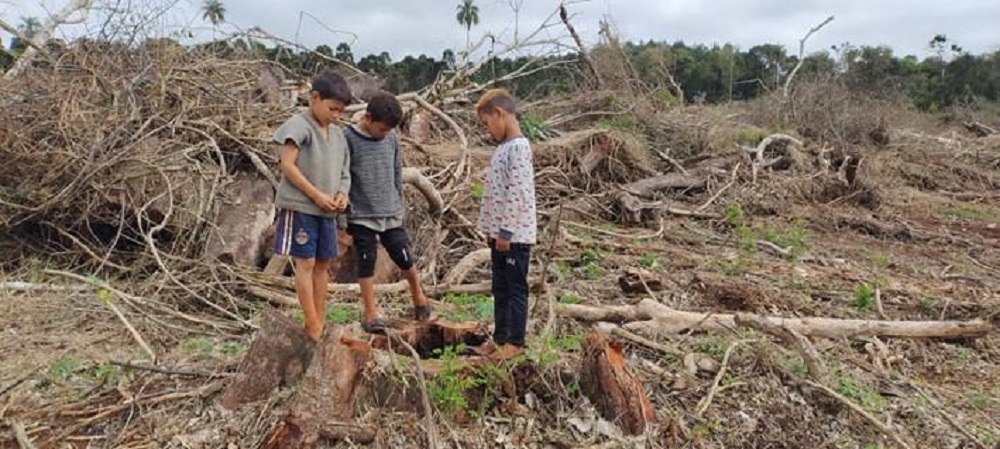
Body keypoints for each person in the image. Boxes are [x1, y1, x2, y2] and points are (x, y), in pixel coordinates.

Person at [272, 70, 352, 341]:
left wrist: (342, 194)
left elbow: (345, 172)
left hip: (326, 211)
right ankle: (311, 322)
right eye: (332, 109)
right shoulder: (298, 126)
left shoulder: (339, 136)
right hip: (302, 207)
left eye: (341, 111)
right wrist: (316, 195)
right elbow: (287, 166)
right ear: (314, 98)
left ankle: (319, 319)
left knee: (323, 264)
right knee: (305, 261)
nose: (336, 115)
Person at [343, 92, 431, 333]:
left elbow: (396, 171)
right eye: (380, 129)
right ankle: (371, 312)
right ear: (368, 118)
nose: (384, 134)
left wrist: (398, 206)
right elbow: (344, 176)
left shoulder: (391, 137)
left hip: (390, 212)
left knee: (404, 256)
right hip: (361, 214)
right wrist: (343, 217)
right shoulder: (348, 138)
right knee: (366, 261)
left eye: (388, 130)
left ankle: (419, 297)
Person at [474, 89, 537, 361]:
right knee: (499, 288)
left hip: (514, 237)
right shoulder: (502, 148)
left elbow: (517, 193)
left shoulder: (519, 148)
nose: (488, 130)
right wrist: (489, 229)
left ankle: (516, 341)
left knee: (515, 289)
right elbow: (494, 193)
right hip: (498, 235)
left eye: (487, 123)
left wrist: (506, 231)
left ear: (499, 114)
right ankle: (499, 338)